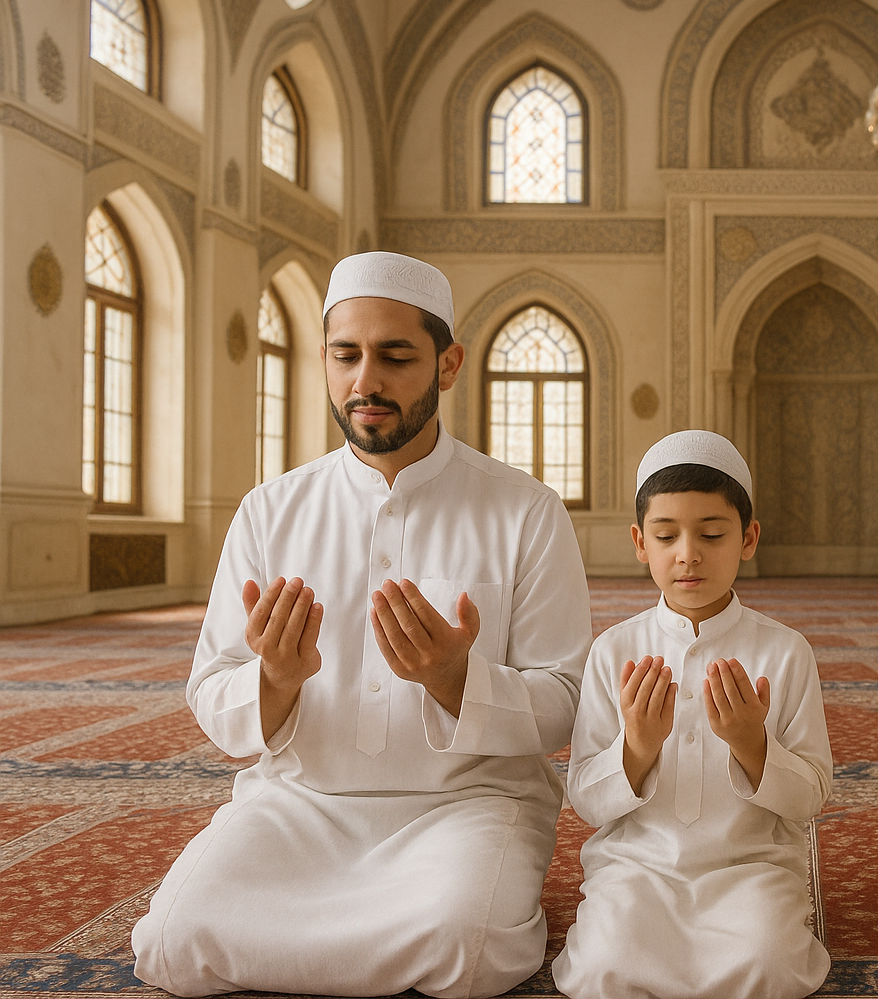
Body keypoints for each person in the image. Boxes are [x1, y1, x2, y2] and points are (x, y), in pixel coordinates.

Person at [131, 252, 592, 998]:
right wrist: (274, 679)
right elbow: (213, 691)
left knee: (466, 953)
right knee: (174, 943)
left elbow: (565, 698)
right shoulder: (269, 512)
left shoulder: (524, 512)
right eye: (345, 356)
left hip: (467, 807)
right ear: (323, 360)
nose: (364, 382)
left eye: (394, 357)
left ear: (447, 365)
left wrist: (454, 679)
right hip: (299, 804)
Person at [551, 430, 832, 999]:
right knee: (606, 966)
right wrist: (637, 749)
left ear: (748, 538)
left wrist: (751, 745)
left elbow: (812, 798)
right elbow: (584, 799)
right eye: (666, 535)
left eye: (711, 534)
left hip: (750, 870)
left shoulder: (785, 651)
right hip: (638, 870)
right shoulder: (613, 651)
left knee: (768, 965)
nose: (688, 554)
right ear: (639, 542)